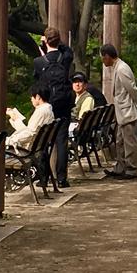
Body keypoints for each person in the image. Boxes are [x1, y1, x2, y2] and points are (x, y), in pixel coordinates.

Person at [31, 30, 76, 188]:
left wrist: (43, 45)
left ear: (45, 41)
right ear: (58, 40)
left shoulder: (38, 62)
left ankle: (43, 177)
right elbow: (68, 50)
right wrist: (57, 42)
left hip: (47, 106)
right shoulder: (65, 58)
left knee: (43, 141)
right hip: (63, 103)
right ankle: (62, 178)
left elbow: (37, 81)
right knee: (61, 141)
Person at [99, 44, 137, 180]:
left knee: (129, 142)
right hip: (121, 112)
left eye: (102, 57)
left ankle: (131, 169)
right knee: (120, 141)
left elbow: (131, 88)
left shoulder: (122, 68)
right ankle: (120, 166)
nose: (102, 60)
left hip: (127, 111)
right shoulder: (117, 67)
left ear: (107, 56)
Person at [7, 90, 55, 155]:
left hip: (27, 151)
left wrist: (10, 140)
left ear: (38, 97)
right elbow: (30, 131)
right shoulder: (48, 110)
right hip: (36, 148)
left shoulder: (41, 112)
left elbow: (30, 134)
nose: (31, 100)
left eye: (32, 97)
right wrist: (14, 117)